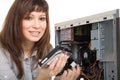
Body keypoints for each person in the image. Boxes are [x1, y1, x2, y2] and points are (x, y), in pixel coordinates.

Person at [0, 0, 81, 80]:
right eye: (28, 18)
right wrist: (44, 77)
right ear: (15, 21)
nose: (37, 25)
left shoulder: (47, 49)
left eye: (42, 18)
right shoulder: (2, 52)